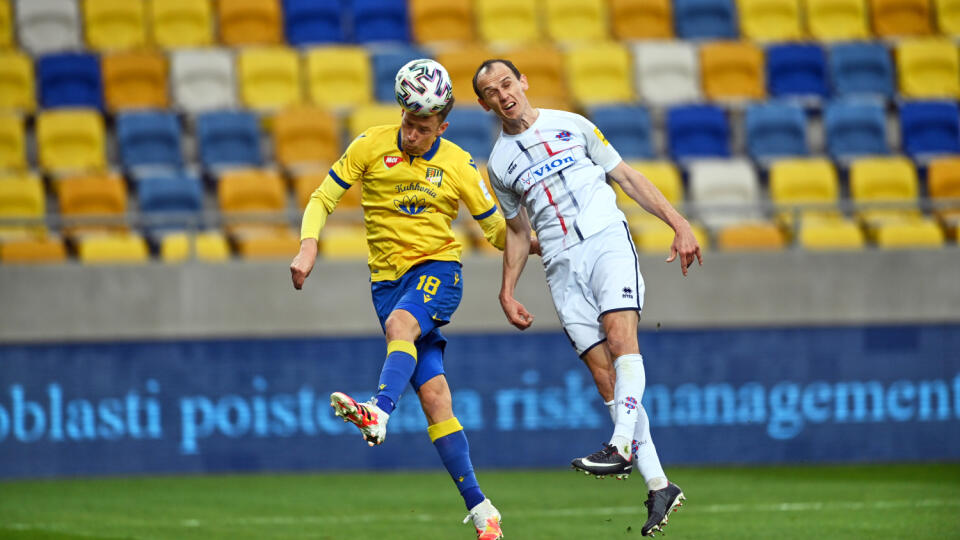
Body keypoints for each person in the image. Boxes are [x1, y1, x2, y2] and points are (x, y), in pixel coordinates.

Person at [472, 58, 702, 537]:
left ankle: (619, 447)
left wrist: (679, 224)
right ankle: (659, 485)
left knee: (622, 342)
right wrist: (507, 289)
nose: (503, 94)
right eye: (491, 91)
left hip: (605, 241)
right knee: (604, 377)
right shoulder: (499, 164)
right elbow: (517, 233)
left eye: (507, 82)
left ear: (523, 82)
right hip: (559, 264)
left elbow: (627, 177)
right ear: (484, 103)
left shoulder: (571, 125)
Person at [290, 64, 521, 539]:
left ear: (443, 126)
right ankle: (483, 510)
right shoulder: (370, 144)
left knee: (401, 324)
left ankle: (378, 409)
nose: (412, 134)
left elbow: (498, 231)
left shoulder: (459, 164)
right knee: (436, 399)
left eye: (423, 127)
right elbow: (322, 198)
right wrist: (309, 243)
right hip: (386, 283)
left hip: (439, 271)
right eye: (408, 122)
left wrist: (535, 241)